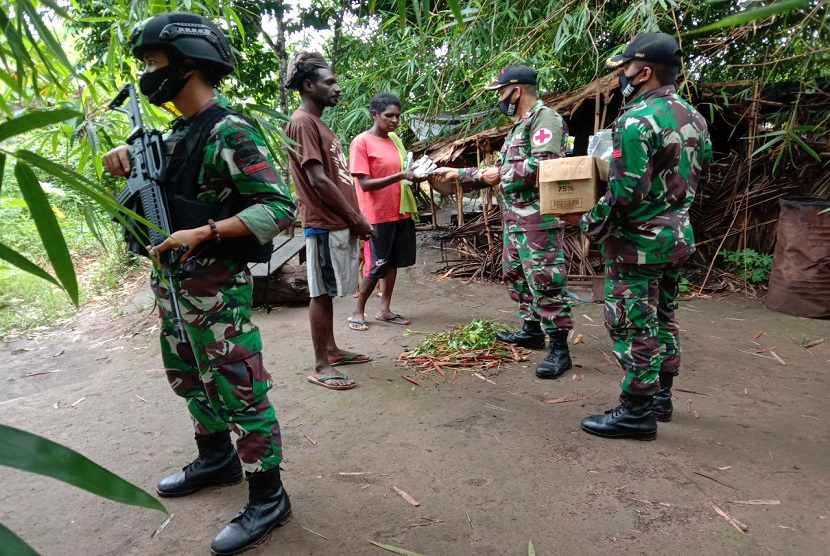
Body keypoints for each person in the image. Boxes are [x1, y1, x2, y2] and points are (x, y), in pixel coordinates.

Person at [102, 12, 297, 555]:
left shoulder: (228, 130)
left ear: (188, 64)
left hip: (216, 292)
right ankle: (216, 458)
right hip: (173, 290)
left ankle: (269, 494)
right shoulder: (171, 136)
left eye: (154, 63)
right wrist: (121, 165)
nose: (147, 74)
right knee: (188, 377)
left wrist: (206, 230)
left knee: (240, 386)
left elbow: (279, 207)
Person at [571, 32, 712, 440]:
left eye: (627, 67)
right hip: (676, 237)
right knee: (664, 316)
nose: (623, 74)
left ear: (644, 70)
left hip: (638, 244)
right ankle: (660, 398)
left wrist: (589, 222)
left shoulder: (635, 120)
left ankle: (636, 412)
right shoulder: (693, 117)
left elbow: (625, 194)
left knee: (633, 324)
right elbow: (696, 178)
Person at [434, 65, 574, 379]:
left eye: (500, 91)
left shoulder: (544, 119)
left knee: (545, 281)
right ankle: (531, 330)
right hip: (516, 219)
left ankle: (559, 349)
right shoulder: (517, 127)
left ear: (516, 90)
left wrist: (503, 173)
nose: (499, 97)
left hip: (539, 220)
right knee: (518, 276)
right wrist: (457, 174)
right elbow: (494, 172)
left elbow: (548, 164)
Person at [283, 51, 374, 390]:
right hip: (323, 221)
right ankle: (321, 364)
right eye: (330, 82)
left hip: (337, 221)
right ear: (309, 85)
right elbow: (319, 179)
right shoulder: (302, 122)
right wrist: (355, 217)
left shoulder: (318, 122)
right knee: (320, 292)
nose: (337, 88)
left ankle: (332, 350)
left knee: (329, 289)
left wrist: (352, 217)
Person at [348, 92, 428, 331]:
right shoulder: (361, 142)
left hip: (399, 210)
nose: (394, 120)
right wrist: (402, 175)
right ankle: (357, 311)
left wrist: (415, 172)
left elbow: (403, 170)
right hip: (376, 214)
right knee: (376, 265)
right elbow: (364, 183)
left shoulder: (394, 139)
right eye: (388, 116)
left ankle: (385, 308)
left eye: (397, 116)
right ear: (374, 115)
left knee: (392, 263)